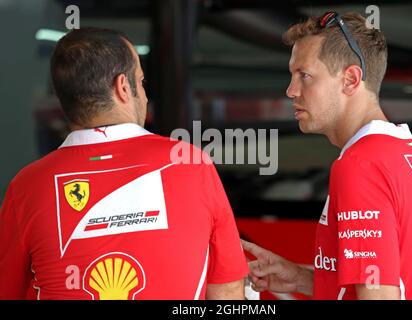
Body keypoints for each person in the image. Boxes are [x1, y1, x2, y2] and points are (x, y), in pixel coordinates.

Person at [0, 27, 248, 300]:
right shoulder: (191, 163)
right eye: (140, 82)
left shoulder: (27, 186)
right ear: (123, 87)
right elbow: (227, 291)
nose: (142, 94)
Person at [242, 11, 412, 300]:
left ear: (350, 79)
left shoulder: (361, 165)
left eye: (305, 76)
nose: (291, 91)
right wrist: (300, 278)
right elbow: (399, 281)